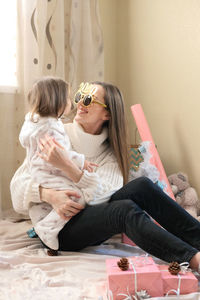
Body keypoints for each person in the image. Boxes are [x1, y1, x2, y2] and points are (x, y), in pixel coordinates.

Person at [11, 81, 200, 271]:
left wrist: (69, 167)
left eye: (89, 99)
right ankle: (194, 259)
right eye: (80, 97)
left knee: (141, 185)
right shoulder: (52, 133)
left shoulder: (110, 156)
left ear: (107, 114)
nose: (81, 104)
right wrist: (49, 195)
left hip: (89, 217)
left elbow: (102, 198)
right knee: (123, 210)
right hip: (56, 231)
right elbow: (16, 194)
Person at [18, 77, 97, 250]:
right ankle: (46, 228)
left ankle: (41, 220)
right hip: (47, 172)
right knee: (78, 197)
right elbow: (61, 154)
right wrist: (82, 162)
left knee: (66, 197)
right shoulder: (51, 128)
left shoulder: (34, 122)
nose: (72, 103)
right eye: (68, 99)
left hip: (40, 172)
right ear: (58, 103)